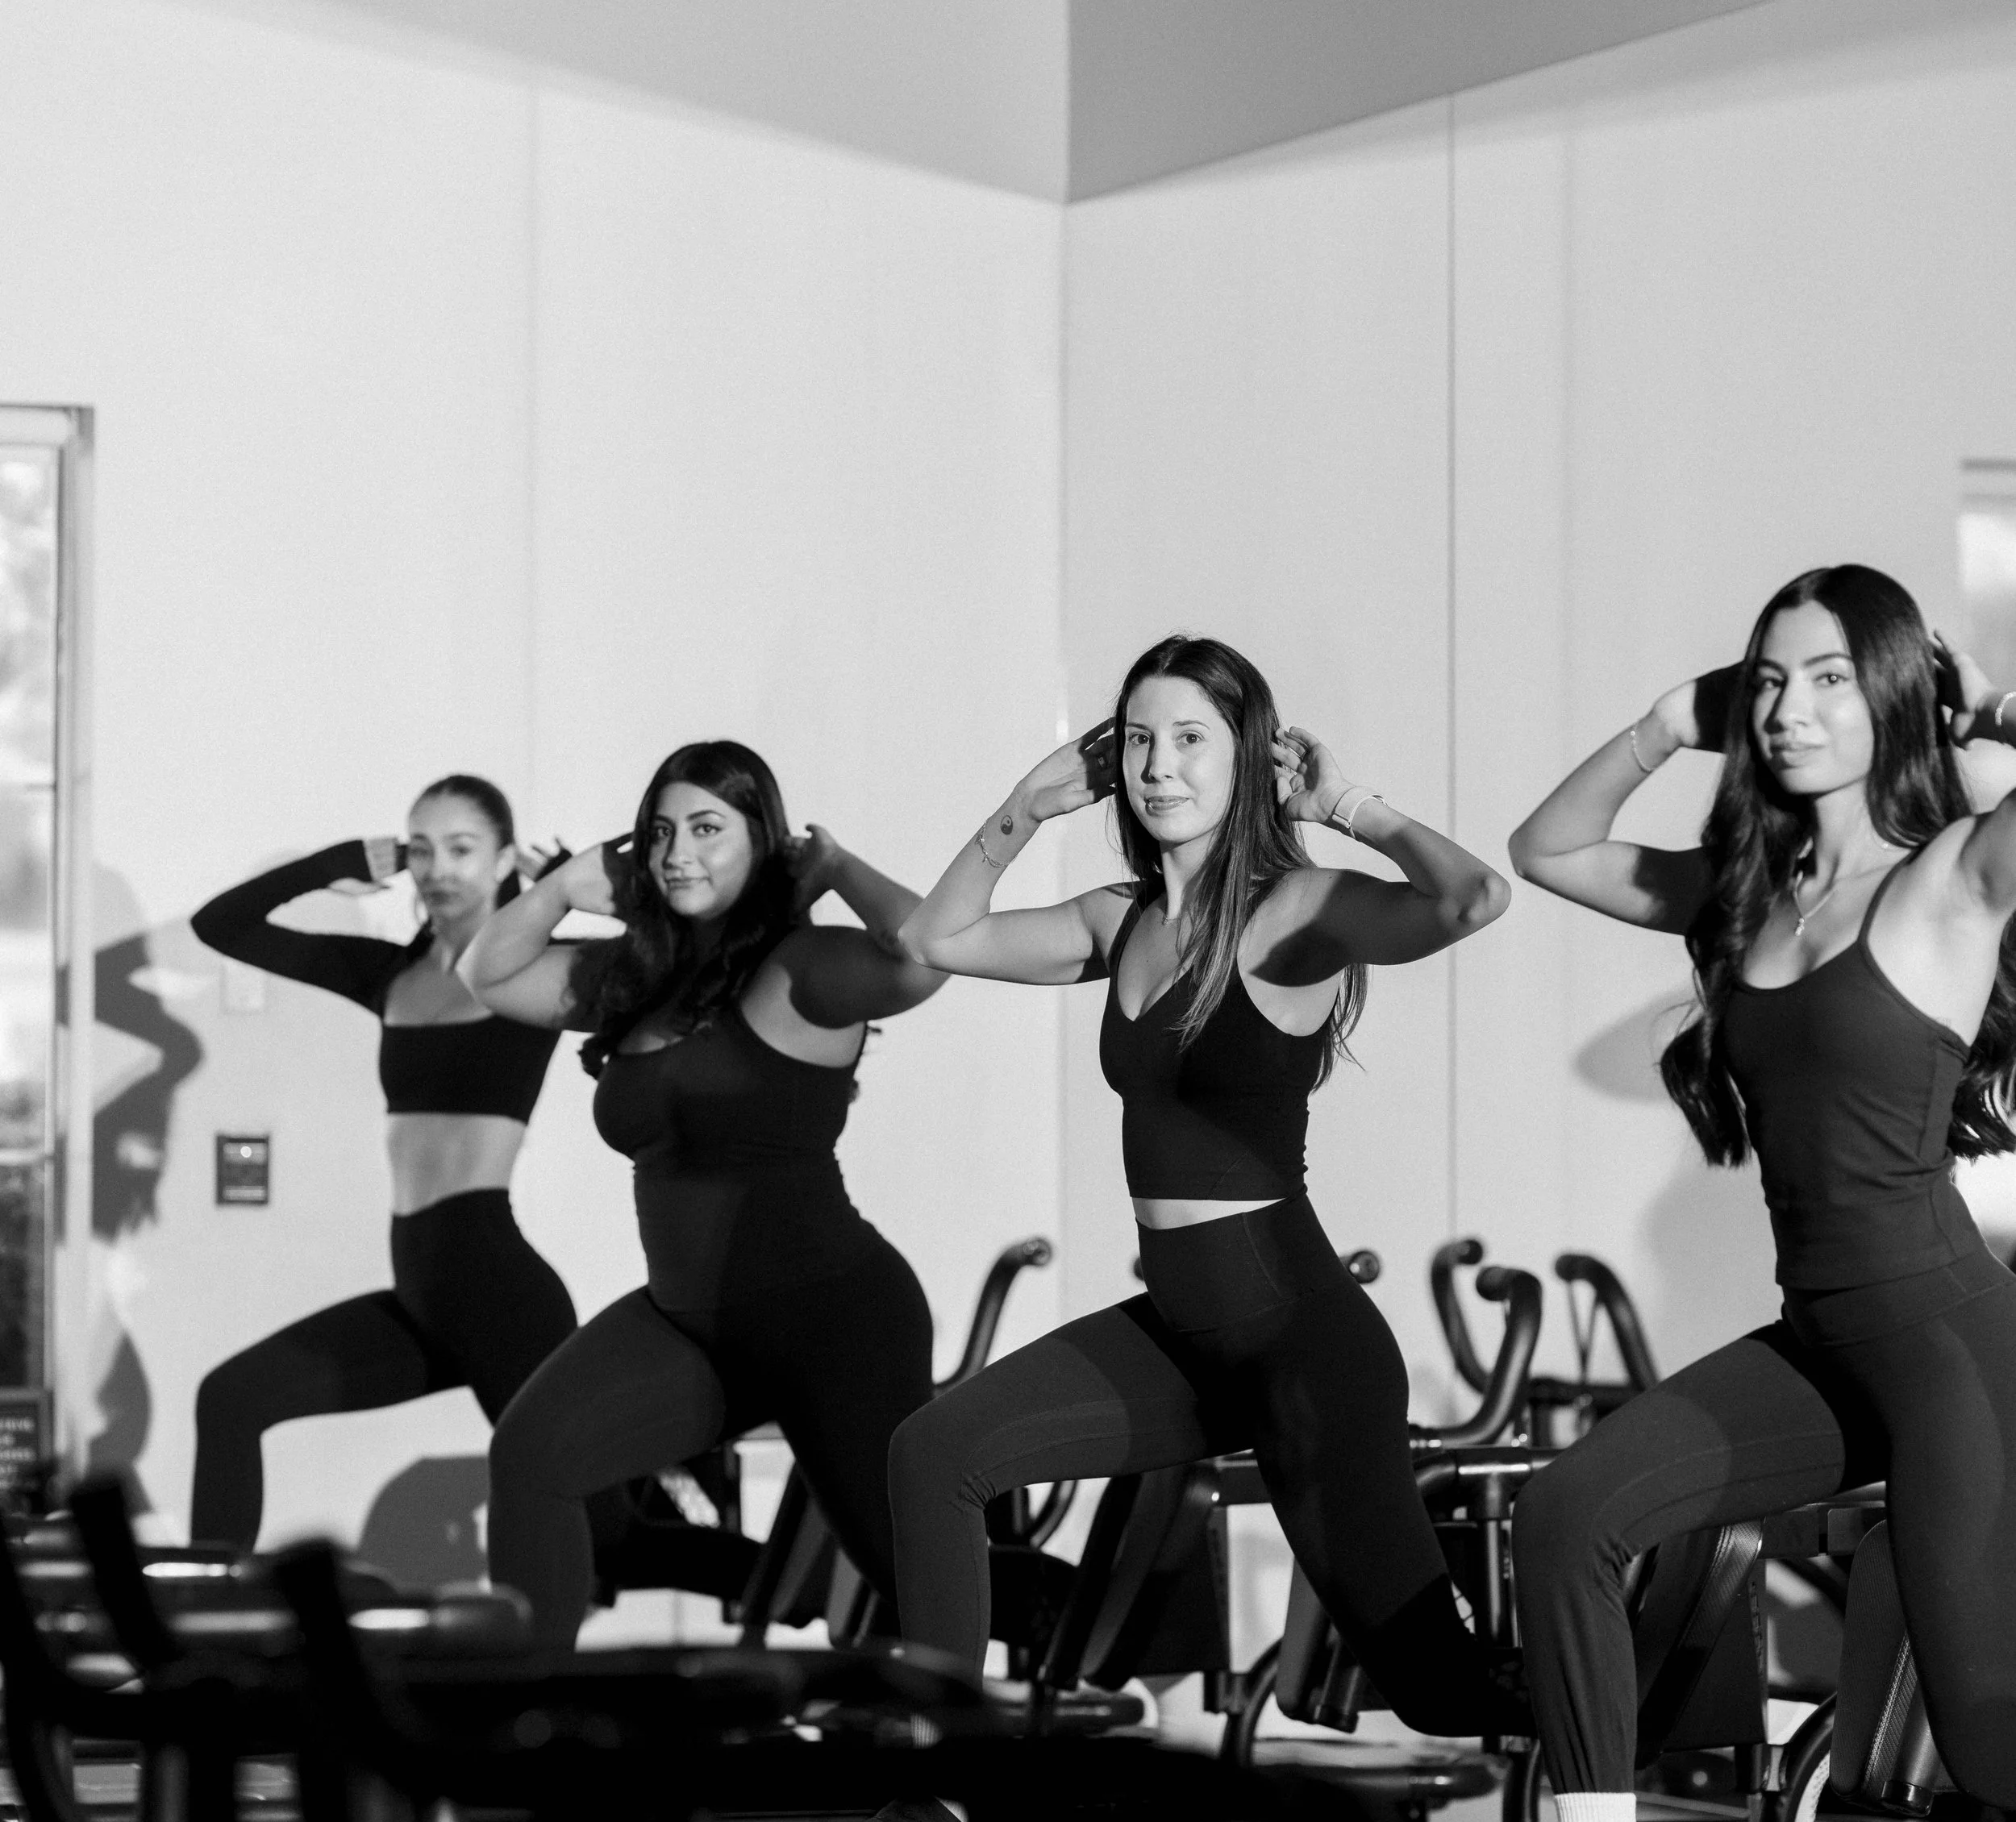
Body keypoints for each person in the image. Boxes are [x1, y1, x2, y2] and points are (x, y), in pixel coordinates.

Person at [1442, 565, 2016, 1822]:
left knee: (1994, 1740)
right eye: (1768, 679)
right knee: (1573, 1510)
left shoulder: (1953, 878)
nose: (1790, 708)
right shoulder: (1752, 896)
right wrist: (1662, 723)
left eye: (1828, 677)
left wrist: (1995, 716)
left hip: (1949, 1348)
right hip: (1823, 1343)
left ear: (1890, 691)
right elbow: (1549, 846)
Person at [889, 632, 1522, 1729]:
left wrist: (1351, 806)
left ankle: (1628, 1783)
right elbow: (936, 939)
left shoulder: (1301, 910)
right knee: (935, 1452)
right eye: (1138, 741)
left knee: (1440, 1693)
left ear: (1248, 759)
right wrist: (1023, 808)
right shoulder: (1118, 919)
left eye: (1191, 740)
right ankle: (935, 1802)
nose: (1159, 767)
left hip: (1300, 1344)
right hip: (1185, 1336)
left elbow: (1472, 899)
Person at [464, 741, 944, 1651]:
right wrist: (565, 884)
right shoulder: (638, 980)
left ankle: (1107, 1660)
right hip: (692, 1328)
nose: (676, 851)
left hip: (833, 1323)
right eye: (659, 832)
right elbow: (486, 974)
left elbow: (924, 957)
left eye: (707, 828)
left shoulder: (803, 966)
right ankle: (531, 1747)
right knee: (531, 1459)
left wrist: (837, 868)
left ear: (763, 842)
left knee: (908, 1567)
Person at [189, 777, 574, 1548]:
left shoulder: (547, 971)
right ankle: (212, 1639)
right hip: (423, 1290)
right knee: (231, 1400)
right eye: (420, 848)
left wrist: (573, 893)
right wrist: (332, 863)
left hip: (498, 1290)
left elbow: (670, 963)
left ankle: (810, 1588)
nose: (438, 868)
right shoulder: (390, 976)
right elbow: (221, 925)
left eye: (462, 849)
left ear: (505, 859)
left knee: (611, 1539)